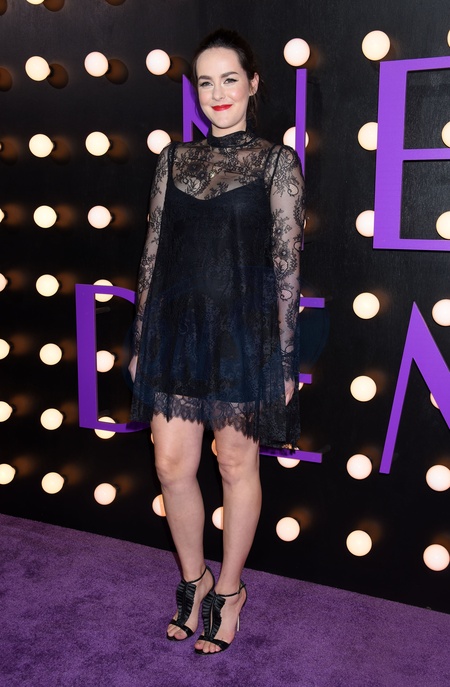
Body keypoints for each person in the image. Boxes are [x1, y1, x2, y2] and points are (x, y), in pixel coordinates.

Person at [128, 28, 305, 655]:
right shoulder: (173, 159)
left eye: (230, 79)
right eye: (206, 82)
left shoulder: (277, 163)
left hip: (243, 337)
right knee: (171, 465)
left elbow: (287, 265)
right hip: (174, 332)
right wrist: (141, 339)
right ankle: (193, 578)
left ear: (253, 84)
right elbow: (152, 254)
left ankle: (229, 590)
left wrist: (285, 357)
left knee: (235, 465)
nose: (218, 92)